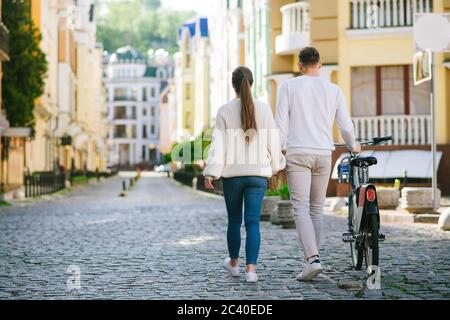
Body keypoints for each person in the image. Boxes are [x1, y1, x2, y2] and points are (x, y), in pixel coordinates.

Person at [275, 47, 360, 281]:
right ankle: (313, 259)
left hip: (298, 152)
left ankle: (312, 259)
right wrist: (353, 145)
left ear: (300, 65)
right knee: (315, 209)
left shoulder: (288, 87)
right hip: (324, 154)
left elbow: (280, 123)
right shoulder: (333, 90)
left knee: (300, 208)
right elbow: (344, 124)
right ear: (320, 64)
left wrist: (276, 150)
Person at [203, 66, 285, 283]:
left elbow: (217, 146)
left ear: (233, 85)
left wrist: (211, 172)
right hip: (257, 175)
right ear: (252, 83)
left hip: (232, 176)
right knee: (253, 223)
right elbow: (273, 141)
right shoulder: (264, 109)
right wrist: (276, 165)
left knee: (234, 221)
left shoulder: (224, 111)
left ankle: (234, 265)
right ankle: (251, 271)